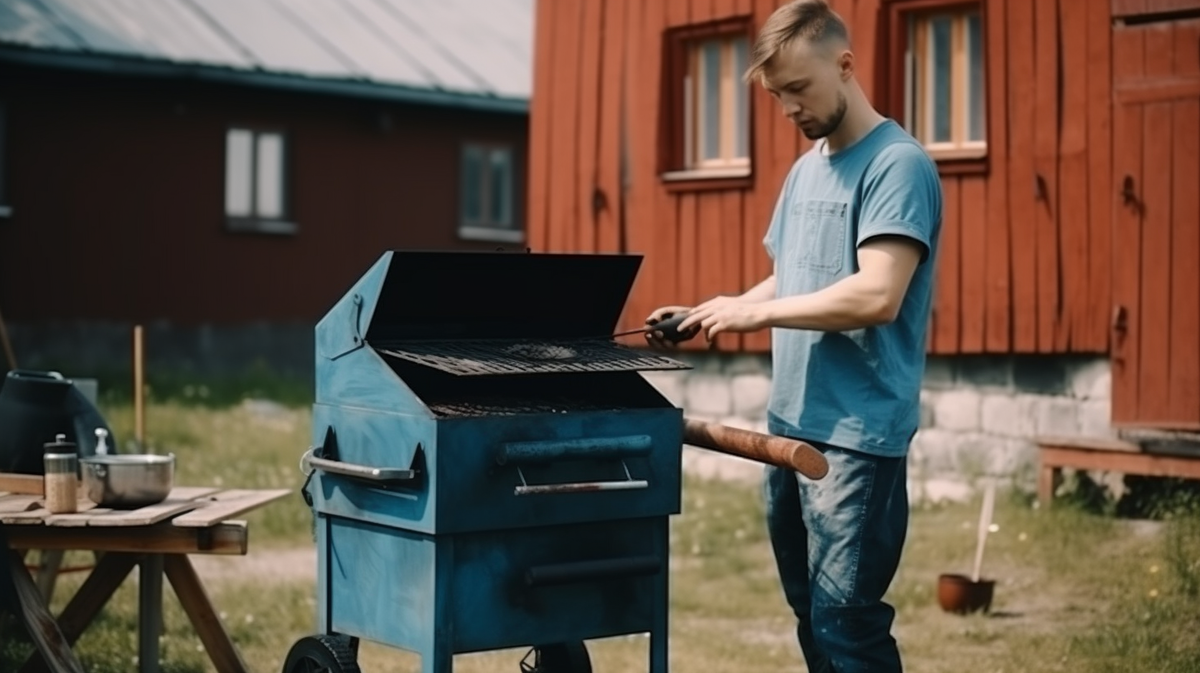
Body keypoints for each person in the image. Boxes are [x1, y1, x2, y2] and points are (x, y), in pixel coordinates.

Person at [644, 1, 943, 671]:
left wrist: (755, 316)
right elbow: (792, 278)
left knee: (847, 624)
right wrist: (714, 308)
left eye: (800, 90)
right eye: (779, 97)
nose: (790, 109)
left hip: (855, 439)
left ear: (845, 65)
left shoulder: (897, 165)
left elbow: (878, 292)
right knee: (812, 615)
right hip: (791, 428)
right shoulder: (806, 169)